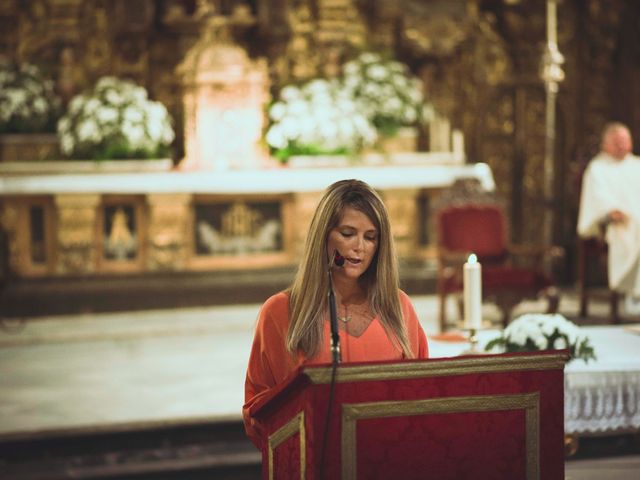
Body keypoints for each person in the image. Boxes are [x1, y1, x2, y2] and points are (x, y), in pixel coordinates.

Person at [242, 179, 429, 449]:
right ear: (324, 235)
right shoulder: (280, 312)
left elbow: (421, 390)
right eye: (347, 233)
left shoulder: (399, 307)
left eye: (370, 237)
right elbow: (256, 412)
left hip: (387, 455)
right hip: (313, 457)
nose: (359, 247)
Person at [577, 122, 640, 314]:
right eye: (616, 141)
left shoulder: (637, 165)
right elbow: (598, 197)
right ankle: (635, 294)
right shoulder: (598, 168)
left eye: (624, 141)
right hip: (614, 225)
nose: (621, 145)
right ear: (606, 145)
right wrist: (611, 211)